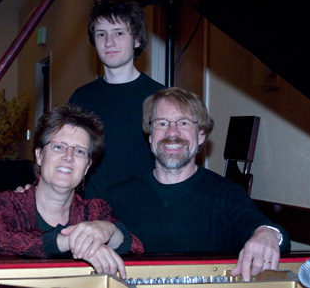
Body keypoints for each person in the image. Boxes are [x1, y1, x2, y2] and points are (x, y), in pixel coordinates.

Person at [105, 87, 291, 281]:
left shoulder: (226, 195)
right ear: (150, 135)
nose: (172, 132)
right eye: (162, 123)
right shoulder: (118, 197)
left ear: (201, 135)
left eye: (184, 123)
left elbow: (265, 229)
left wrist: (266, 235)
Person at [0, 105, 143, 279]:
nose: (69, 156)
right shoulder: (3, 204)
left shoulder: (96, 211)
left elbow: (136, 248)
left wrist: (110, 230)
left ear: (87, 166)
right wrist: (72, 242)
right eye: (58, 147)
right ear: (39, 155)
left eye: (79, 151)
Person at [69, 0, 164, 200]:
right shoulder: (81, 97)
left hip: (142, 213)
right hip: (91, 214)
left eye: (118, 33)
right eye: (101, 34)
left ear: (137, 40)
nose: (109, 42)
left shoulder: (161, 98)